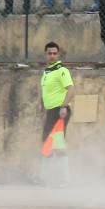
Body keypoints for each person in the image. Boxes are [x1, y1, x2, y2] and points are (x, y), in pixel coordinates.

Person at [40, 42, 75, 186]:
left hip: (60, 111)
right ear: (46, 54)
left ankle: (64, 180)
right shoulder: (47, 71)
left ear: (58, 54)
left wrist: (64, 107)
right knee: (48, 143)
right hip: (51, 111)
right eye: (50, 53)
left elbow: (71, 89)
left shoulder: (62, 70)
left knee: (57, 144)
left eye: (55, 53)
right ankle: (47, 177)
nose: (52, 56)